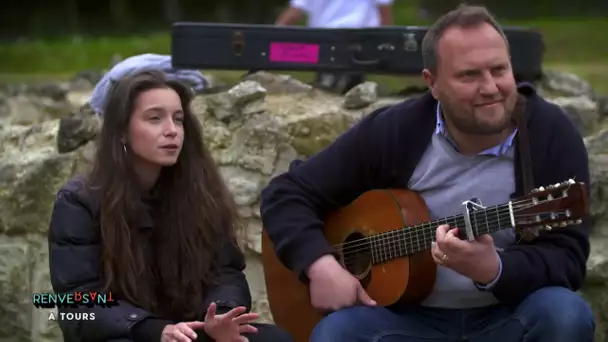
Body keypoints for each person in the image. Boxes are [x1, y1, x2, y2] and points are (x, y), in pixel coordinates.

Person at [260, 4, 594, 342]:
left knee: (565, 314)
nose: (490, 87)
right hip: (404, 322)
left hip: (508, 314)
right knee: (336, 333)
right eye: (469, 75)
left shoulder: (550, 133)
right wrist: (319, 264)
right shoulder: (396, 130)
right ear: (432, 83)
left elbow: (568, 259)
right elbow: (286, 193)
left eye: (499, 69)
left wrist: (495, 270)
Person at [48, 70, 294, 342]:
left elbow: (225, 273)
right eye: (155, 118)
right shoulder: (79, 202)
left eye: (178, 119)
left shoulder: (200, 193)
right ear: (121, 132)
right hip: (126, 335)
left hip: (188, 332)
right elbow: (77, 304)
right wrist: (153, 329)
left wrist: (220, 314)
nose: (171, 130)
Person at [275, 0, 393, 94]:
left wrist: (271, 36)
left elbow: (295, 13)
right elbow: (384, 12)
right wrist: (386, 44)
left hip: (325, 41)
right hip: (359, 40)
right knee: (354, 88)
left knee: (328, 85)